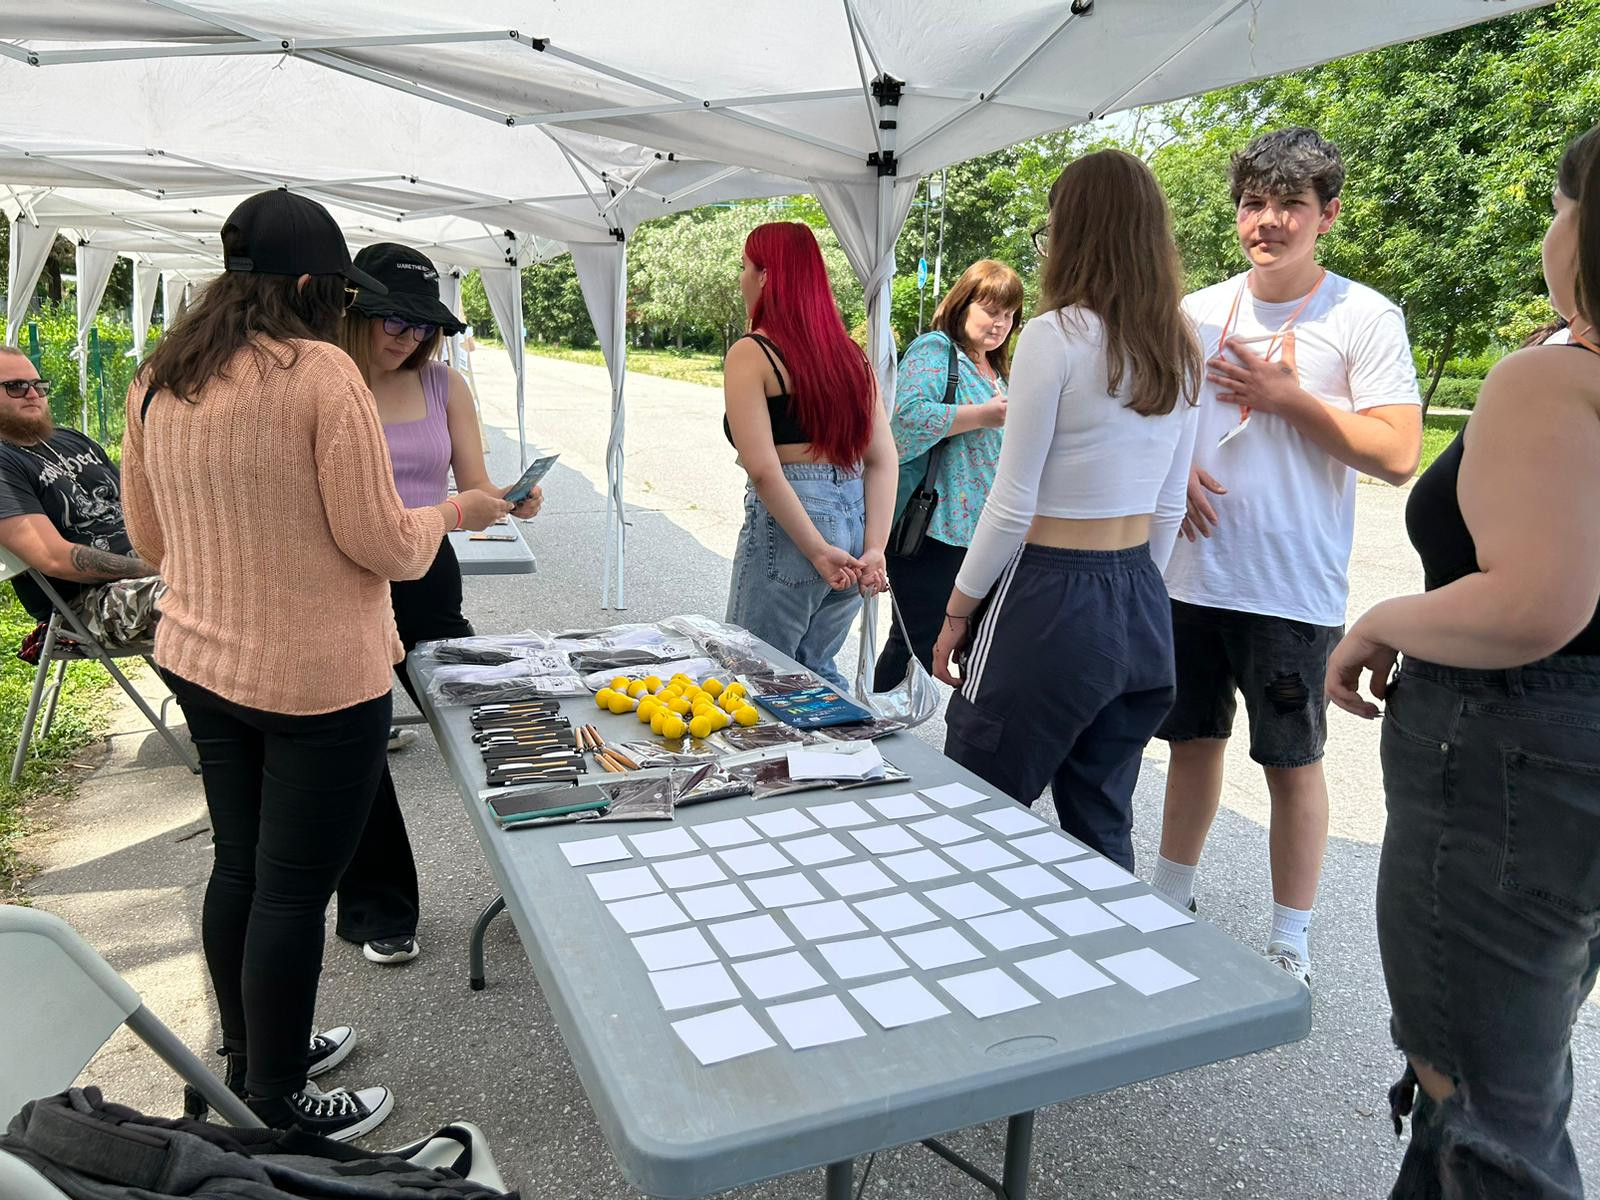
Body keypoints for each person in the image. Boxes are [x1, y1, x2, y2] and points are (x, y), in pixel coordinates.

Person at [121, 189, 511, 1140]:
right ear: (306, 285)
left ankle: (251, 1064)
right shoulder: (319, 375)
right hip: (317, 676)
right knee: (291, 889)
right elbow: (385, 543)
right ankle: (279, 1105)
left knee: (241, 871)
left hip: (202, 659)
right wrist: (460, 512)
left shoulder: (159, 374)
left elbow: (147, 536)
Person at [1328, 125, 1600, 1200]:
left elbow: (1533, 605)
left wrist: (1384, 615)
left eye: (1558, 201)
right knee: (1518, 1071)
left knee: (1481, 1106)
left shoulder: (1556, 378)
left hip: (1512, 757)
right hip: (1564, 777)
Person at [1150, 128, 1423, 989]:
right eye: (1252, 204)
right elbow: (1156, 418)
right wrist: (1175, 468)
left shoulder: (1363, 315)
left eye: (1288, 206)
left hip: (1289, 590)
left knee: (1291, 764)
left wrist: (1286, 398)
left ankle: (1290, 945)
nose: (1266, 222)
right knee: (1190, 743)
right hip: (1190, 575)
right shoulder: (1195, 311)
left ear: (1327, 215)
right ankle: (1166, 905)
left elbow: (1397, 452)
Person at [931, 149, 1203, 871]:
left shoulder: (1056, 335)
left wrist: (960, 609)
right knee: (1101, 818)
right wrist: (1132, 593)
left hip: (1051, 588)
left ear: (1076, 232)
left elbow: (1013, 499)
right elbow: (1170, 501)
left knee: (975, 800)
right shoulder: (1181, 340)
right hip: (1140, 593)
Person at [331, 241, 543, 968]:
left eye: (423, 325)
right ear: (352, 304)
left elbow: (473, 488)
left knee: (489, 719)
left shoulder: (444, 385)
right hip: (340, 578)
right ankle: (378, 910)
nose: (407, 335)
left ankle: (539, 876)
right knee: (357, 750)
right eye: (393, 317)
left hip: (425, 569)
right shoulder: (324, 380)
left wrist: (509, 498)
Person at [723, 221, 896, 689]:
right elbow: (882, 459)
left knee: (754, 673)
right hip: (857, 525)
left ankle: (776, 764)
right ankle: (838, 760)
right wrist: (876, 548)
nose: (741, 278)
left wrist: (818, 549)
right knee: (814, 668)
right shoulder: (852, 359)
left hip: (796, 524)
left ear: (764, 275)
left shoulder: (752, 353)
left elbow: (763, 469)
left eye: (744, 267)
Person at [873, 260, 1019, 689]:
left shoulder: (996, 370)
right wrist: (983, 415)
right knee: (915, 643)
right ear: (963, 305)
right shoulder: (937, 350)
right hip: (935, 529)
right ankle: (877, 734)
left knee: (977, 645)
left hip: (984, 533)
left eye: (1010, 315)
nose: (1001, 324)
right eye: (991, 310)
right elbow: (906, 421)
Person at [0, 346, 161, 645]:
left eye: (37, 385)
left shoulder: (71, 439)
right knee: (198, 601)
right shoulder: (4, 462)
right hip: (81, 605)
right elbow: (54, 558)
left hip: (148, 576)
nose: (33, 394)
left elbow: (139, 508)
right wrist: (161, 568)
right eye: (15, 387)